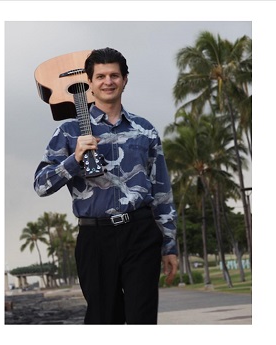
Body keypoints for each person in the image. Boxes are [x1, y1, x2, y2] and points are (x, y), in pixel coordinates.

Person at [33, 47, 178, 324]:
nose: (108, 81)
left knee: (142, 318)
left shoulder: (145, 129)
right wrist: (74, 160)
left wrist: (169, 246)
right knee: (102, 319)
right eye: (100, 76)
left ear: (125, 79)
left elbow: (161, 190)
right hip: (95, 238)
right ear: (89, 82)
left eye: (114, 75)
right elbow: (41, 185)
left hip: (141, 233)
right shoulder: (67, 132)